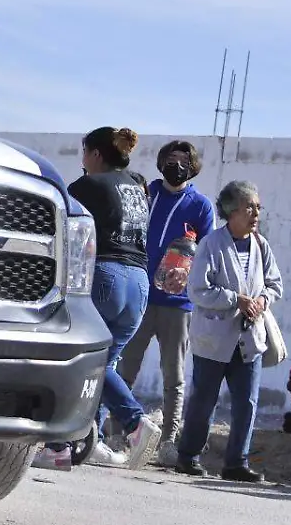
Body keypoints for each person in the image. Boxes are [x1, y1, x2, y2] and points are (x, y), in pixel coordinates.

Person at [32, 126, 161, 472]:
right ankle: (82, 443)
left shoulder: (87, 186)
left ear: (97, 155)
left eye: (85, 152)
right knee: (106, 365)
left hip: (105, 277)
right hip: (138, 283)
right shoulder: (137, 185)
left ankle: (134, 424)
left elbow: (59, 222)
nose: (81, 159)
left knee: (86, 360)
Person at [117, 140, 217, 467]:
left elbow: (207, 254)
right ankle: (118, 432)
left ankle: (170, 439)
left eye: (183, 160)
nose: (176, 165)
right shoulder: (147, 193)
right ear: (161, 163)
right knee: (125, 366)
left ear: (193, 166)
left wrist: (188, 277)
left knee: (173, 374)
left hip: (177, 304)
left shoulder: (200, 206)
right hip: (141, 296)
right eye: (171, 159)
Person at [174, 180, 282, 482]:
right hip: (214, 338)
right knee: (203, 400)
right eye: (250, 206)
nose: (256, 213)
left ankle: (237, 462)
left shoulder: (262, 245)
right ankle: (189, 456)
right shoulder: (211, 244)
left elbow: (275, 285)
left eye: (258, 207)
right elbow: (198, 290)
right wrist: (236, 299)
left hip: (249, 339)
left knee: (247, 402)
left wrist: (261, 300)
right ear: (232, 211)